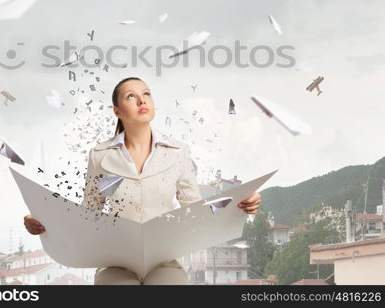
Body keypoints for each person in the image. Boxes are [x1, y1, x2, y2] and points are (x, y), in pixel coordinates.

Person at [24, 77, 261, 285]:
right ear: (116, 110)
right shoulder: (100, 155)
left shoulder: (178, 151)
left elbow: (194, 209)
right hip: (115, 261)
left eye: (146, 94)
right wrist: (44, 222)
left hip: (165, 261)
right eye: (131, 96)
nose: (142, 100)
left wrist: (239, 203)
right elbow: (89, 213)